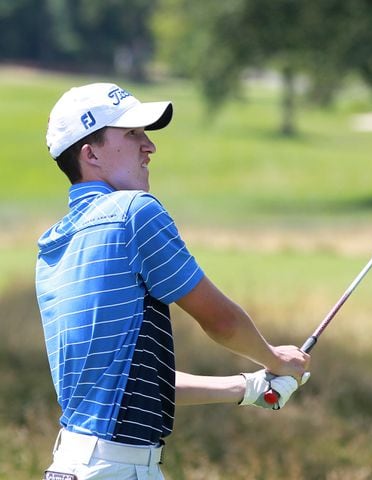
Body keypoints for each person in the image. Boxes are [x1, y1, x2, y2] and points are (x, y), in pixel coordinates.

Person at [36, 82, 311, 480]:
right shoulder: (134, 212)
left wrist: (249, 387)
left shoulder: (54, 246)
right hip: (117, 469)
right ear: (90, 153)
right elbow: (222, 322)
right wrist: (276, 359)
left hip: (72, 465)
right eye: (132, 135)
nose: (149, 147)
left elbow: (136, 382)